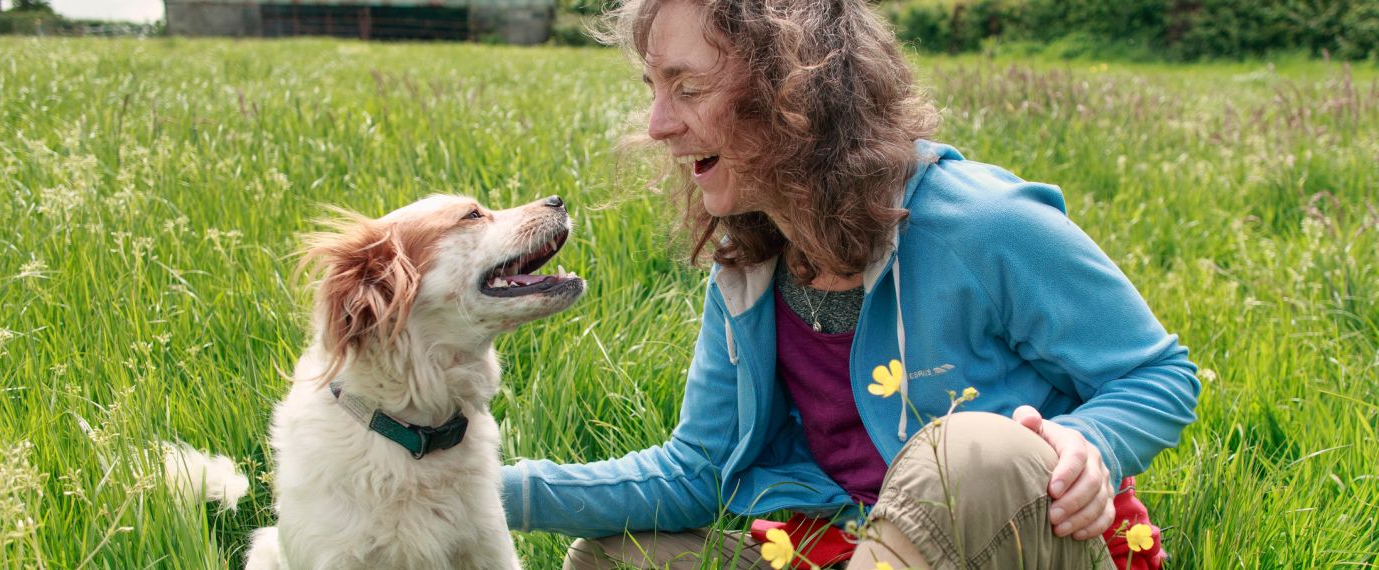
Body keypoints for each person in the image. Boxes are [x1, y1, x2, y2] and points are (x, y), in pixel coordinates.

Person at [498, 0, 1200, 567]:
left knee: (969, 452)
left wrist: (1088, 442)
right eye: (653, 91)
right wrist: (473, 489)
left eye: (688, 88)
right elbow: (697, 475)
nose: (657, 125)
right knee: (619, 556)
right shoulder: (749, 271)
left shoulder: (983, 222)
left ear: (795, 91)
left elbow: (1160, 375)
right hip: (843, 545)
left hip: (1027, 542)